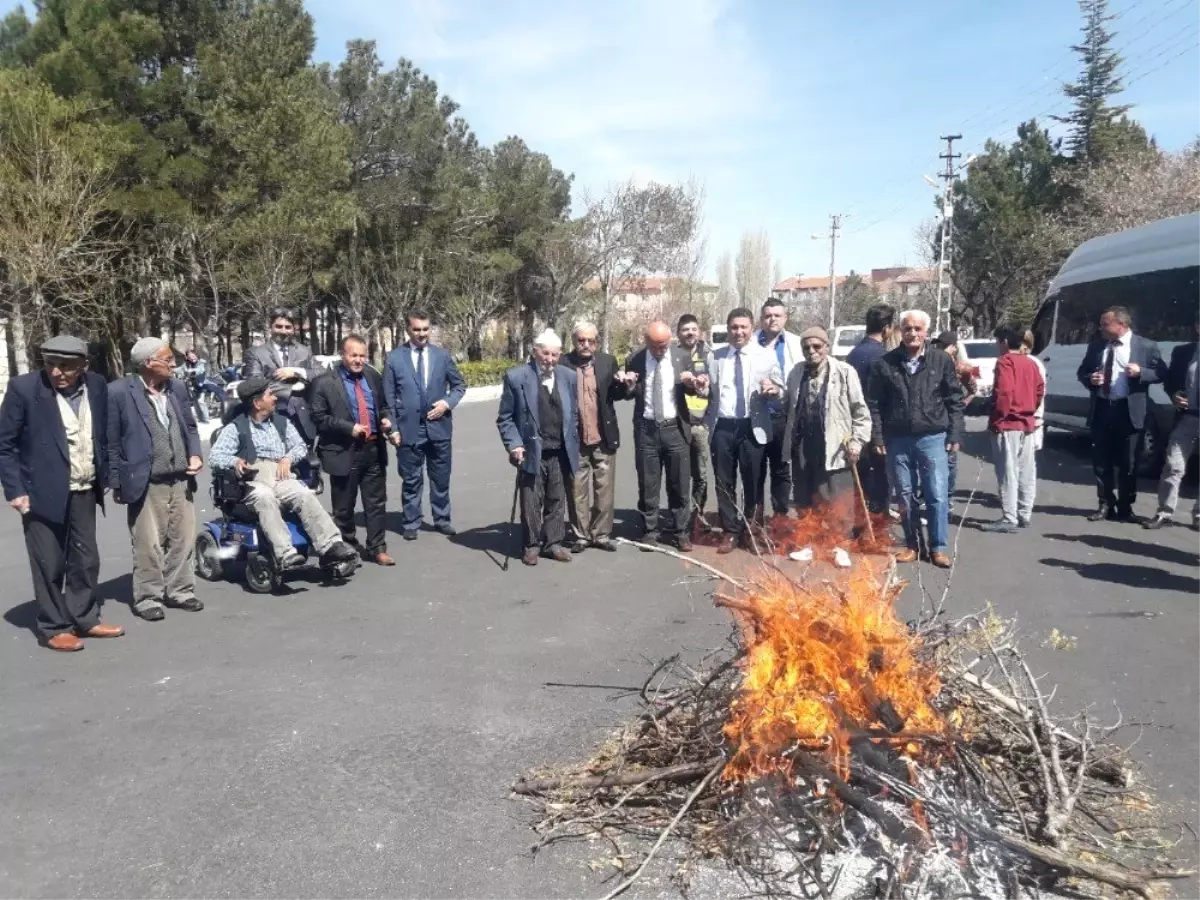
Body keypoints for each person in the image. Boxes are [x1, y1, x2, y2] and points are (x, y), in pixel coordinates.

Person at [0, 335, 123, 652]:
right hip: (40, 490)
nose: (57, 372)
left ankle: (84, 617)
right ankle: (54, 626)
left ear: (84, 365)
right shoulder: (24, 389)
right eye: (51, 364)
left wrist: (107, 474)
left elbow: (103, 433)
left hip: (83, 487)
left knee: (86, 558)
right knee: (49, 561)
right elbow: (6, 445)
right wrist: (14, 489)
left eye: (67, 366)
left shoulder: (96, 385)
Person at [208, 377, 358, 570]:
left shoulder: (281, 423)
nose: (275, 398)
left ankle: (330, 546)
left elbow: (300, 446)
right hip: (252, 479)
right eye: (270, 394)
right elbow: (215, 456)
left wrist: (288, 458)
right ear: (256, 402)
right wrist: (235, 461)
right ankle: (285, 553)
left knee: (303, 494)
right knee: (265, 497)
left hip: (280, 474)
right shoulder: (235, 428)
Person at [108, 337, 205, 621]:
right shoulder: (119, 392)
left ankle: (180, 590)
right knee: (147, 543)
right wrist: (116, 482)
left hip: (180, 478)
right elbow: (111, 442)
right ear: (149, 363)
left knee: (182, 538)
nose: (174, 364)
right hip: (145, 481)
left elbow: (189, 425)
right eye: (167, 359)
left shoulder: (176, 388)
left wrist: (195, 454)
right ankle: (148, 597)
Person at [866, 310, 964, 568]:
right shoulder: (885, 364)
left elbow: (954, 399)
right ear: (901, 330)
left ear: (926, 332)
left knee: (936, 494)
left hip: (933, 437)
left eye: (918, 329)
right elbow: (874, 404)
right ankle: (912, 544)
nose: (913, 333)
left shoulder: (941, 360)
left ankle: (938, 547)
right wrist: (877, 436)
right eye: (908, 328)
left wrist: (955, 433)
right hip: (897, 439)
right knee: (905, 496)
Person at [311, 335, 399, 566]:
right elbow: (318, 418)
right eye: (354, 355)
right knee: (344, 507)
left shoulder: (372, 376)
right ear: (343, 354)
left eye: (362, 355)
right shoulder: (324, 382)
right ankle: (347, 547)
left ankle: (377, 547)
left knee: (376, 503)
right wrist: (348, 428)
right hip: (343, 451)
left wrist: (387, 421)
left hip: (373, 449)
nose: (358, 360)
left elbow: (384, 406)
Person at [703, 307, 784, 554]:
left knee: (754, 482)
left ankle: (752, 530)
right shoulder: (714, 357)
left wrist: (774, 391)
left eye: (743, 327)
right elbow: (708, 392)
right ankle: (730, 531)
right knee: (724, 482)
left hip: (753, 426)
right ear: (728, 329)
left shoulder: (766, 356)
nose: (738, 332)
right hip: (723, 427)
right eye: (734, 327)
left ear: (752, 328)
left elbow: (780, 390)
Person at [496, 331, 580, 566]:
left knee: (557, 499)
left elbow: (574, 414)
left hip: (560, 449)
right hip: (532, 449)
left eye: (555, 354)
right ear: (535, 352)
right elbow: (505, 418)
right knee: (531, 500)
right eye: (545, 353)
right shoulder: (516, 377)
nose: (550, 359)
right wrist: (514, 444)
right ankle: (531, 544)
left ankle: (553, 543)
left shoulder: (569, 377)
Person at [383, 309, 467, 542]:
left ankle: (442, 519)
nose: (422, 334)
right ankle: (411, 521)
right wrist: (393, 429)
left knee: (440, 477)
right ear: (408, 329)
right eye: (417, 329)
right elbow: (388, 397)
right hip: (410, 429)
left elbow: (459, 386)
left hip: (439, 427)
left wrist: (447, 404)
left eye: (426, 329)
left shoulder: (442, 356)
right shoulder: (394, 358)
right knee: (411, 479)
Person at [1075, 306, 1163, 523]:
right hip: (1103, 408)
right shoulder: (1097, 346)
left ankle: (1125, 506)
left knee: (1129, 461)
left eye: (1105, 324)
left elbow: (1161, 373)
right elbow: (1082, 372)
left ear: (1121, 325)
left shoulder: (1146, 346)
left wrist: (1142, 372)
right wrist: (1091, 379)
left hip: (1129, 411)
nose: (1101, 328)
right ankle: (1105, 504)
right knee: (1101, 461)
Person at [780, 327, 871, 533]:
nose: (811, 351)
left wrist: (857, 442)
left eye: (817, 346)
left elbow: (861, 413)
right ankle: (808, 539)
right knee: (804, 496)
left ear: (827, 347)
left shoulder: (845, 371)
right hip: (803, 445)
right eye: (806, 347)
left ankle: (840, 544)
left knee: (836, 497)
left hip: (835, 445)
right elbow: (788, 405)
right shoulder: (796, 372)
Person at [622, 320, 703, 551]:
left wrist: (692, 384)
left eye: (664, 345)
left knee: (679, 483)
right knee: (648, 483)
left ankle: (680, 532)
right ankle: (649, 531)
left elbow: (693, 387)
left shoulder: (682, 356)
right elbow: (629, 393)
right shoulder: (635, 359)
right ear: (646, 341)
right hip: (647, 429)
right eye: (655, 346)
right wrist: (628, 386)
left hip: (675, 428)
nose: (660, 350)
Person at [561, 322, 624, 553]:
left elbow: (617, 395)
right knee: (576, 489)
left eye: (590, 341)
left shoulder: (608, 362)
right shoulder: (563, 364)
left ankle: (601, 534)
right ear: (574, 341)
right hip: (575, 440)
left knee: (604, 489)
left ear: (596, 342)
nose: (586, 345)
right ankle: (581, 536)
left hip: (603, 437)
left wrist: (627, 385)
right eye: (581, 340)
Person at [982, 327, 1045, 534]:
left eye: (998, 341)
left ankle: (1009, 517)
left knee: (1007, 471)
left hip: (1008, 423)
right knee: (1026, 470)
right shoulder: (1031, 362)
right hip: (1027, 422)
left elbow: (1004, 392)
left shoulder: (1005, 362)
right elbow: (1039, 390)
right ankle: (1025, 513)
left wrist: (999, 416)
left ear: (1005, 342)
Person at [1145, 311, 1200, 532]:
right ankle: (1164, 512)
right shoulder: (1183, 352)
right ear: (1197, 327)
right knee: (1174, 464)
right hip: (1187, 417)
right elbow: (1170, 382)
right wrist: (1174, 394)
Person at [753, 298, 804, 519]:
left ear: (785, 318)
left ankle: (780, 517)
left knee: (782, 470)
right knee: (756, 470)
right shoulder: (750, 342)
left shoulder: (796, 343)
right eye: (768, 315)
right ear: (761, 318)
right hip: (757, 415)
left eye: (777, 315)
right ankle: (755, 517)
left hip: (784, 417)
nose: (772, 319)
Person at [846, 304, 895, 515]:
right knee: (881, 477)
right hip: (878, 426)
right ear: (887, 328)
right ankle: (877, 520)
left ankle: (860, 518)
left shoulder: (853, 354)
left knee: (860, 475)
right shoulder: (883, 357)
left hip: (853, 423)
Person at [242, 308, 321, 441]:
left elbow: (321, 372)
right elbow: (254, 384)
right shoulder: (256, 353)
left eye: (288, 327)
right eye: (278, 326)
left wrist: (297, 372)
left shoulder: (304, 351)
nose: (283, 331)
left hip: (302, 419)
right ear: (270, 327)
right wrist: (291, 389)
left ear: (293, 328)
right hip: (271, 416)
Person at [930, 331, 979, 503]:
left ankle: (947, 499)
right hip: (934, 418)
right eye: (938, 345)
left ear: (954, 348)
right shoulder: (931, 364)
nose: (941, 349)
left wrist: (963, 403)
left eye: (945, 346)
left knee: (950, 461)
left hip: (951, 419)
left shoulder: (961, 368)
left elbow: (973, 389)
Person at [676, 315, 713, 529]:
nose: (690, 333)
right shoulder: (672, 355)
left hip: (700, 426)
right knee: (679, 474)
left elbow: (714, 389)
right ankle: (679, 515)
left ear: (698, 331)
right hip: (678, 424)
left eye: (693, 329)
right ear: (678, 333)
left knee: (700, 474)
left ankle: (698, 514)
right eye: (685, 329)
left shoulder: (709, 356)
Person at [174, 349, 223, 424]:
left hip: (203, 384)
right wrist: (171, 369)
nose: (192, 358)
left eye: (193, 356)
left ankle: (206, 419)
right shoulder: (186, 364)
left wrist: (192, 371)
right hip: (193, 386)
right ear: (187, 358)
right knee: (195, 402)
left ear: (196, 355)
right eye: (190, 357)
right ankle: (200, 419)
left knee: (201, 401)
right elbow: (180, 370)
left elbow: (200, 370)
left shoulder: (201, 362)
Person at [1020, 330, 1047, 452]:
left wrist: (1036, 416)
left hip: (1031, 417)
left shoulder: (1033, 363)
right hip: (1020, 420)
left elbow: (1039, 391)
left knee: (1025, 460)